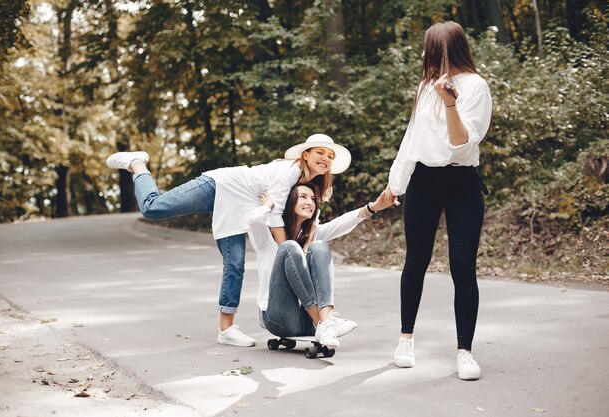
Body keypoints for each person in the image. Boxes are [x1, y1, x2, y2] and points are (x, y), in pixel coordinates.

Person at [105, 134, 351, 347]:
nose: (326, 159)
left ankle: (226, 329)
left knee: (235, 264)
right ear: (305, 154)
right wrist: (287, 251)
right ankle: (137, 164)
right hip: (220, 186)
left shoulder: (305, 182)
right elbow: (275, 214)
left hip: (238, 209)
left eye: (330, 156)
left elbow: (308, 220)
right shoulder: (291, 171)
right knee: (153, 208)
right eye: (320, 152)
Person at [384, 21, 492, 380]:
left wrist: (450, 104)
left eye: (432, 49)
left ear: (449, 49)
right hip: (423, 182)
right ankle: (405, 339)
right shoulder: (425, 87)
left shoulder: (476, 87)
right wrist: (394, 185)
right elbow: (410, 140)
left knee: (463, 268)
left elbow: (462, 144)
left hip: (461, 182)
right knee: (415, 261)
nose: (426, 56)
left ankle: (465, 352)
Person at [248, 183, 396, 347]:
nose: (310, 202)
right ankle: (326, 324)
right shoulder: (265, 238)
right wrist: (270, 205)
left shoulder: (312, 234)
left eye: (312, 199)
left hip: (307, 321)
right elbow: (254, 219)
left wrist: (374, 207)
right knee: (289, 247)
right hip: (279, 318)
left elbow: (342, 222)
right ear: (289, 202)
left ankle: (325, 322)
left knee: (320, 246)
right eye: (303, 197)